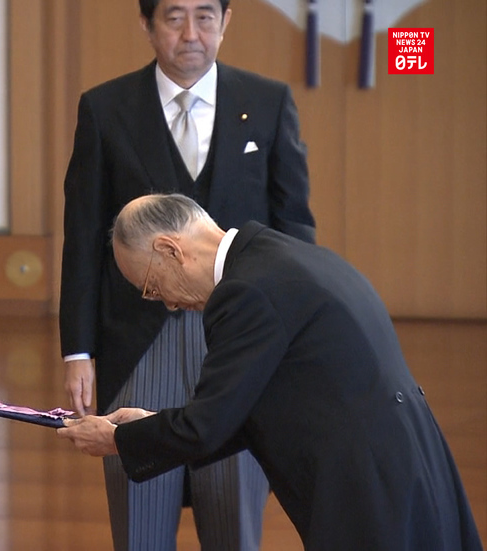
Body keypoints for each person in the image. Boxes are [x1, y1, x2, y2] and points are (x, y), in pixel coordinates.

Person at [58, 193, 483, 551]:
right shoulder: (280, 257)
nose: (167, 304)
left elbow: (205, 427)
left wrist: (117, 440)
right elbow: (245, 409)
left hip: (367, 485)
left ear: (171, 250)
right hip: (408, 460)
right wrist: (149, 424)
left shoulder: (244, 293)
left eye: (152, 287)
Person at [59, 0, 315, 548]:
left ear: (227, 21)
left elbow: (293, 226)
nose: (192, 33)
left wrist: (297, 334)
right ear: (147, 24)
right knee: (140, 516)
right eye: (174, 18)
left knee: (232, 512)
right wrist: (77, 350)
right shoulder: (105, 107)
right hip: (136, 339)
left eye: (206, 16)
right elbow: (82, 236)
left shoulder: (267, 102)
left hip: (242, 334)